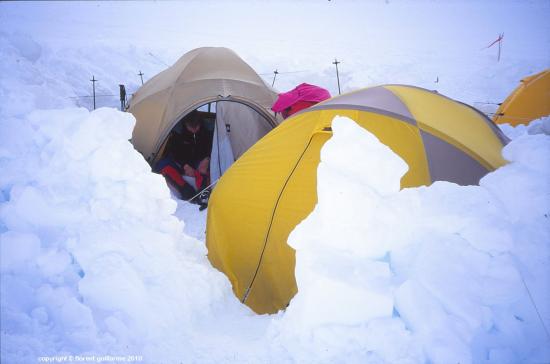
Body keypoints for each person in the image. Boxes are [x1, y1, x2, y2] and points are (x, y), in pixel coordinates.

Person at [154, 110, 213, 204]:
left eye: (196, 127)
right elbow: (175, 152)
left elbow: (211, 148)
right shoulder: (178, 132)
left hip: (200, 159)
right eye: (191, 127)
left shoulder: (206, 130)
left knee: (207, 169)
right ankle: (186, 191)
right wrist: (185, 165)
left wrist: (207, 159)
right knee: (163, 166)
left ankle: (203, 192)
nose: (194, 129)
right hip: (182, 161)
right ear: (185, 124)